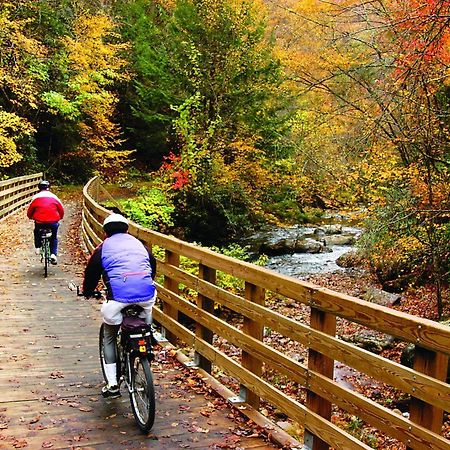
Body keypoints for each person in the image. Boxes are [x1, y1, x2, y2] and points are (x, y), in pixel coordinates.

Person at [82, 213, 157, 398]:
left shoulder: (104, 247)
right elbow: (152, 266)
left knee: (109, 334)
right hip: (146, 294)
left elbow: (91, 272)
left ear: (105, 231)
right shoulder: (141, 245)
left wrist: (88, 292)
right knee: (145, 320)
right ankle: (149, 337)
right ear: (126, 228)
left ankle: (113, 384)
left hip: (118, 299)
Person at [27, 180, 64, 265]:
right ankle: (53, 254)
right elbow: (61, 209)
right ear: (48, 188)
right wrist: (60, 217)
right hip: (53, 222)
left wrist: (30, 217)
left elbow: (30, 211)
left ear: (39, 188)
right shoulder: (54, 197)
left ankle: (38, 247)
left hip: (40, 222)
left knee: (36, 231)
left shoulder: (35, 197)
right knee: (54, 237)